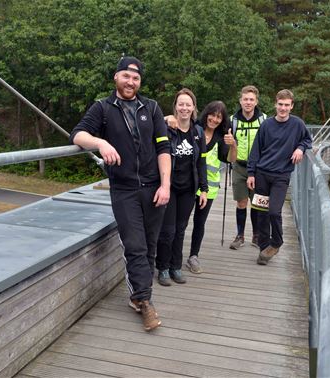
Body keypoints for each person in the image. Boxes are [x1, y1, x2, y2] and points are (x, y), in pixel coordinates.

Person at [70, 56, 169, 331]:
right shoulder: (103, 108)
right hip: (124, 189)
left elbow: (164, 148)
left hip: (153, 188)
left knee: (150, 245)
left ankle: (139, 297)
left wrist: (166, 185)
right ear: (116, 77)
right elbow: (78, 135)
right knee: (135, 245)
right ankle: (146, 302)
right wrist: (100, 142)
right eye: (126, 76)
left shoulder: (151, 107)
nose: (131, 82)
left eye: (136, 78)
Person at [246, 89, 312, 265]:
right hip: (261, 174)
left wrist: (300, 148)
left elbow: (307, 140)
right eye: (280, 104)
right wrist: (251, 173)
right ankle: (264, 249)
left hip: (281, 176)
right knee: (261, 213)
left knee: (274, 211)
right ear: (276, 104)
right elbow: (255, 151)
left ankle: (276, 242)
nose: (283, 108)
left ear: (292, 106)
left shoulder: (297, 124)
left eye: (286, 105)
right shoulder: (266, 125)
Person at [155, 88, 208, 286]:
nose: (184, 108)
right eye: (181, 104)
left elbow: (201, 162)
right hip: (169, 187)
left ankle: (176, 267)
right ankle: (162, 268)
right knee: (167, 230)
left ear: (193, 107)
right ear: (175, 106)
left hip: (188, 189)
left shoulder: (198, 132)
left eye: (188, 104)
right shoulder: (166, 128)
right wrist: (165, 119)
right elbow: (151, 126)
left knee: (180, 229)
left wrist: (204, 189)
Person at [186, 101, 237, 274]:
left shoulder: (222, 138)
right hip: (187, 184)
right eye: (212, 115)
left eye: (218, 117)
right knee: (179, 222)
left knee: (199, 223)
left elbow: (230, 160)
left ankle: (193, 256)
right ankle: (170, 257)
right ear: (206, 113)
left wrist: (233, 145)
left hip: (208, 189)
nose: (214, 119)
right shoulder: (194, 129)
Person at [229, 85, 266, 250]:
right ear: (240, 101)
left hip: (259, 168)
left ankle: (256, 236)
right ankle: (240, 236)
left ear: (256, 101)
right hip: (239, 166)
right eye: (245, 99)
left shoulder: (264, 120)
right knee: (241, 202)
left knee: (257, 203)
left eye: (251, 99)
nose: (248, 102)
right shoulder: (233, 120)